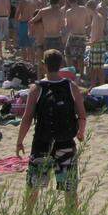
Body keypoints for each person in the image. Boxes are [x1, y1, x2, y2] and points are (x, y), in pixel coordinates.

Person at [15, 49, 87, 206]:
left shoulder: (37, 88)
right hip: (66, 143)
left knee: (33, 187)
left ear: (44, 65)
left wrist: (19, 141)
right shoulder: (71, 86)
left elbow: (27, 118)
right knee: (69, 189)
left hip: (42, 143)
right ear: (61, 65)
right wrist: (81, 132)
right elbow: (82, 115)